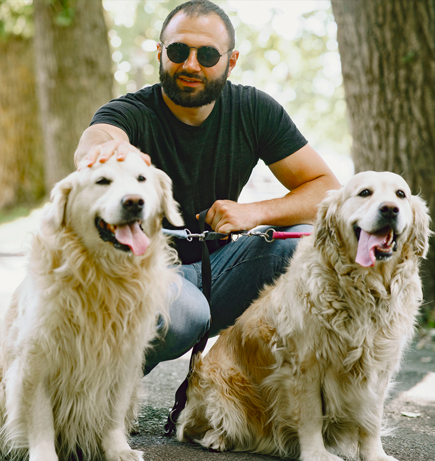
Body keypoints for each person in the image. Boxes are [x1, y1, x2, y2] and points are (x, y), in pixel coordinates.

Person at [73, 0, 341, 374]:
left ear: (230, 62)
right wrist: (108, 151)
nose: (191, 65)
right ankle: (93, 393)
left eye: (208, 54)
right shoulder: (131, 112)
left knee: (300, 244)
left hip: (221, 269)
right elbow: (97, 139)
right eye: (179, 51)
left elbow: (326, 189)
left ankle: (270, 392)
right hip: (143, 274)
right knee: (188, 311)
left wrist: (254, 213)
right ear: (160, 53)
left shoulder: (254, 110)